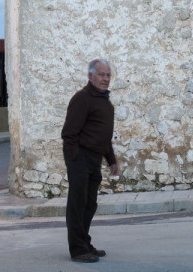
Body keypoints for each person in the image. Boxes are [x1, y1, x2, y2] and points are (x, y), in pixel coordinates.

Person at [61, 58, 119, 263]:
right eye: (101, 74)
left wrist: (111, 160)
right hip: (80, 158)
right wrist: (74, 159)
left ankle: (85, 243)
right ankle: (77, 249)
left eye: (108, 75)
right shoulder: (82, 98)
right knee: (77, 204)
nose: (105, 79)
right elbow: (69, 133)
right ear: (90, 76)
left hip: (94, 159)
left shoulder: (104, 101)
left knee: (90, 204)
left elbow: (103, 135)